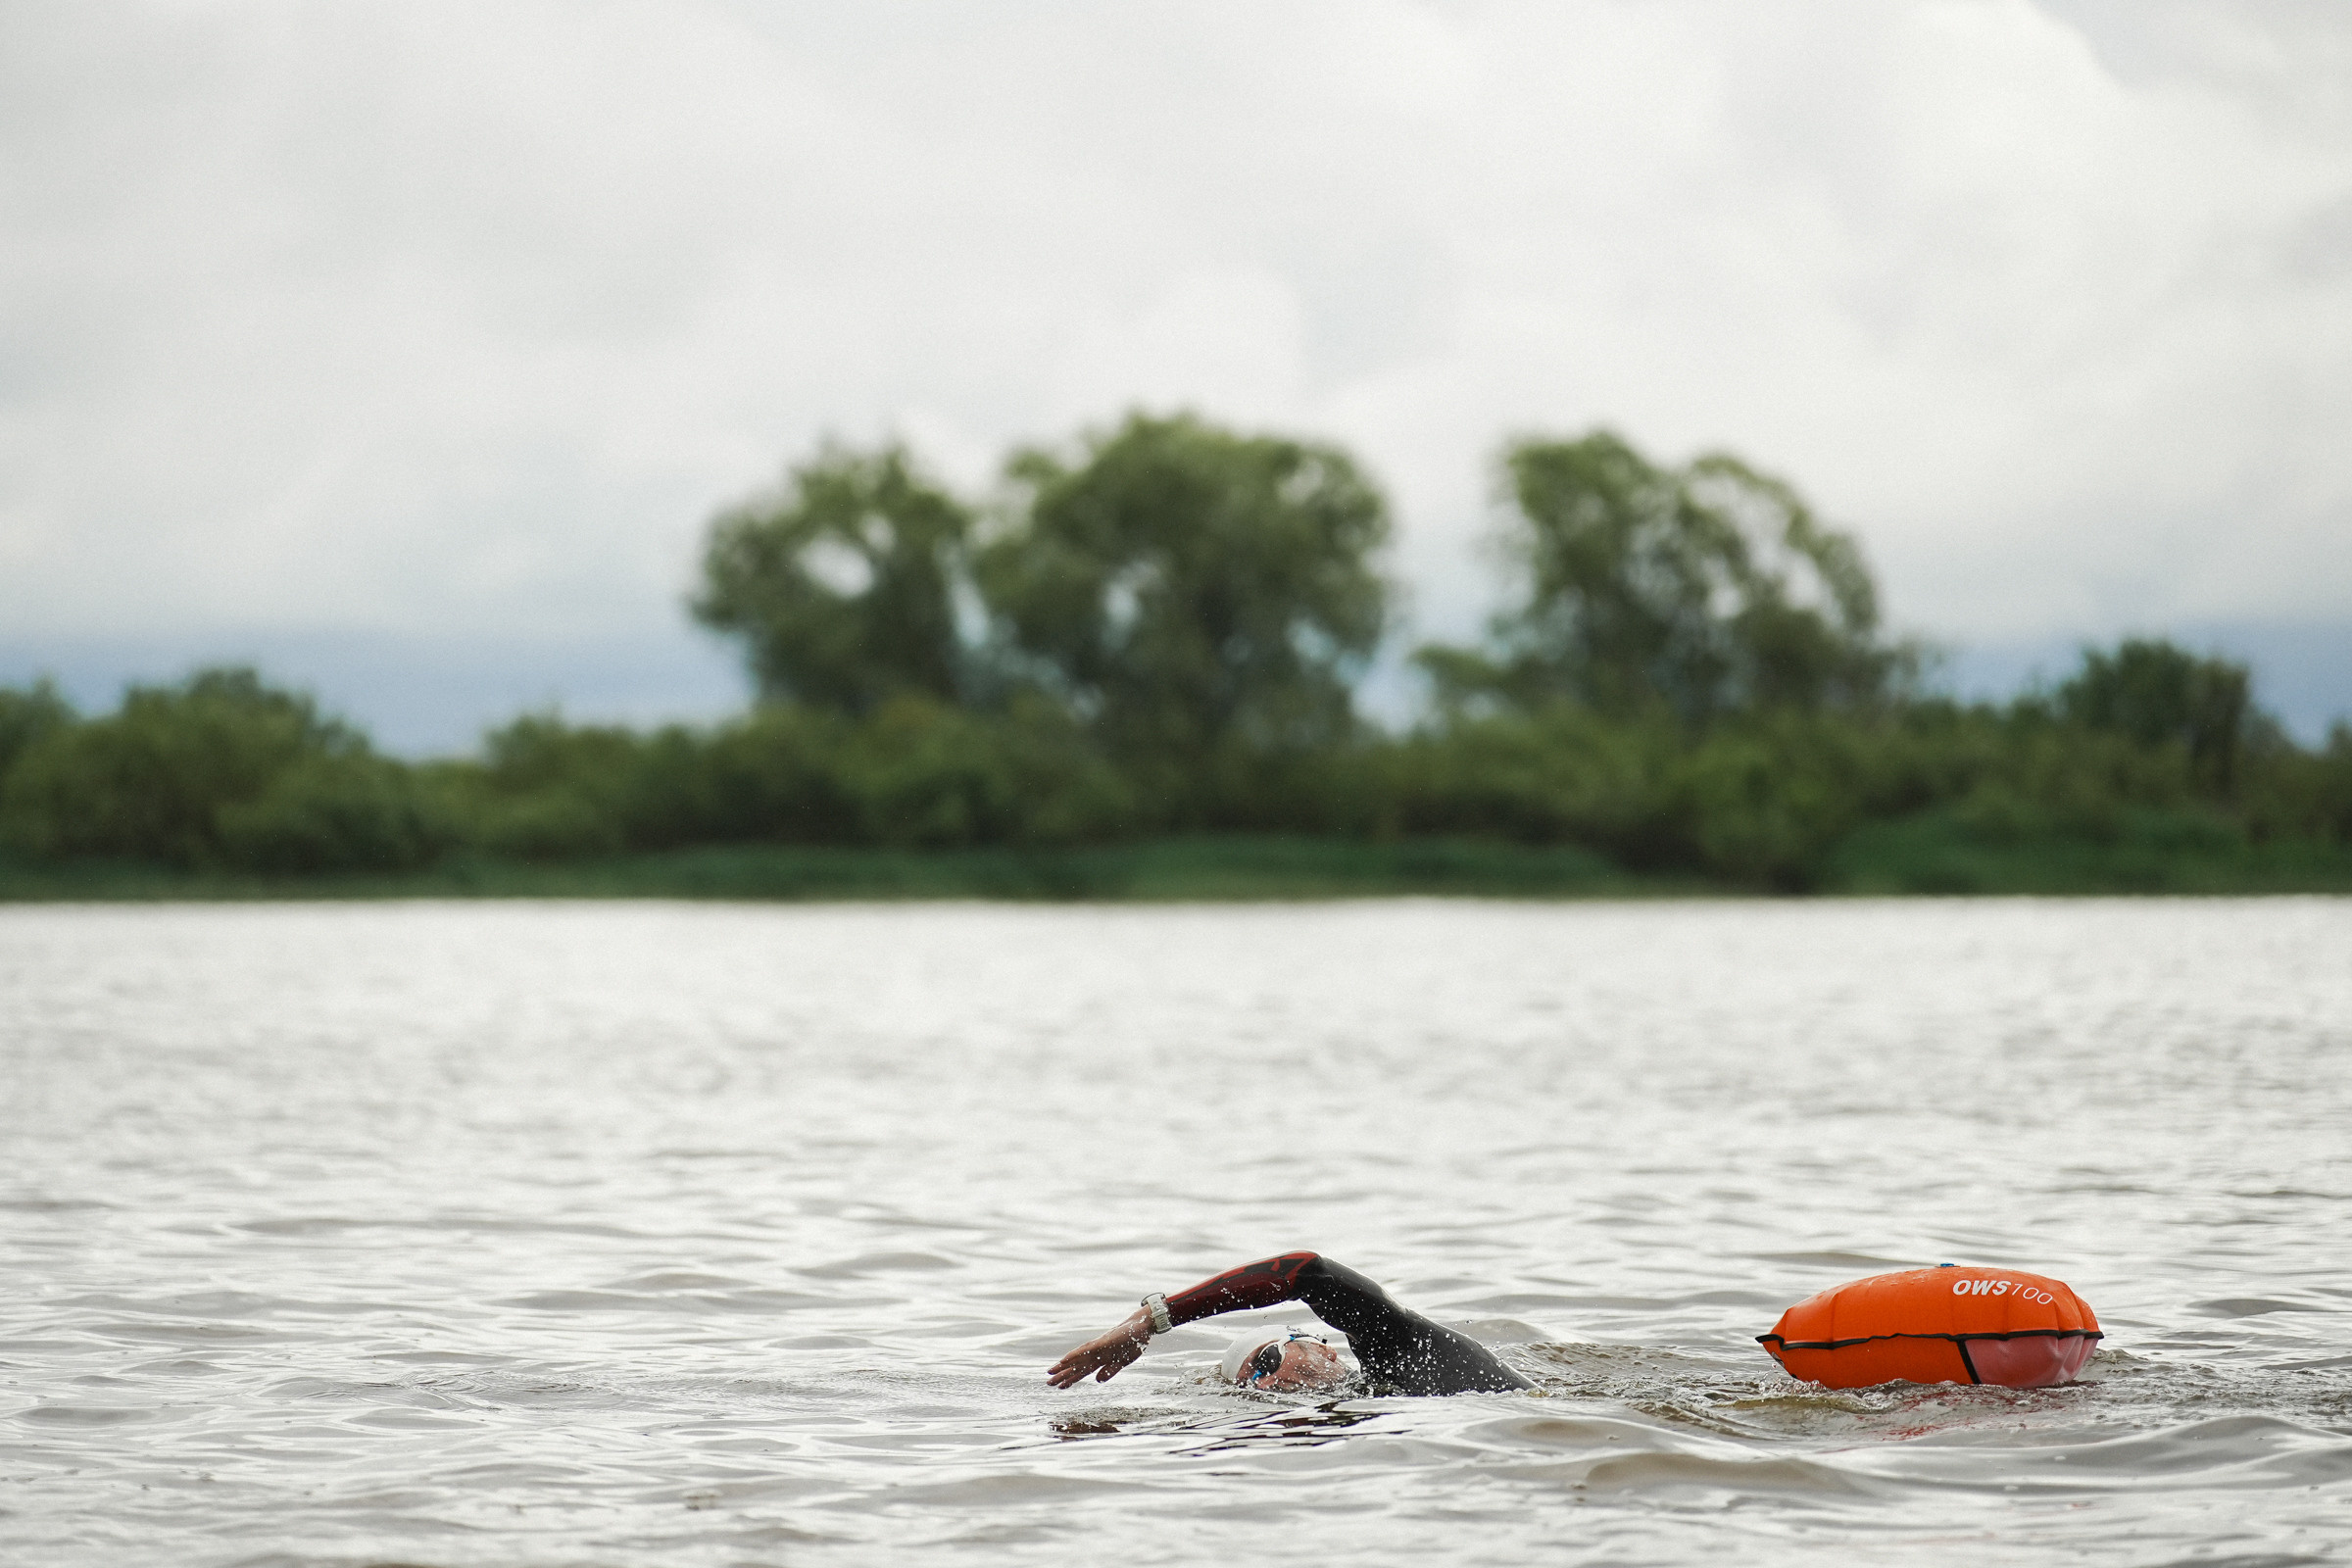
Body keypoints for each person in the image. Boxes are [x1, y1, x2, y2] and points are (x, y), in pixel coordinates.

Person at [1045, 1250, 1532, 1396]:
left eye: (1267, 1360)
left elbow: (1307, 1272)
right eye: (1251, 1385)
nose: (1268, 1381)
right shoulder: (1368, 1409)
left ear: (1323, 1347)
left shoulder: (1400, 1350)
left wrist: (1150, 1320)